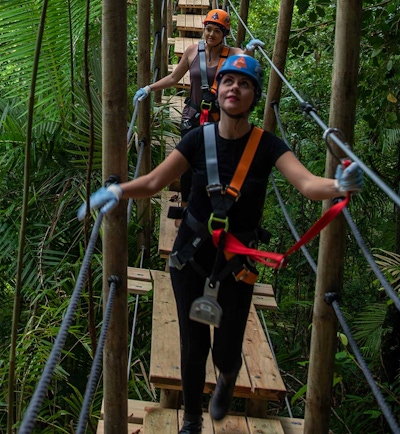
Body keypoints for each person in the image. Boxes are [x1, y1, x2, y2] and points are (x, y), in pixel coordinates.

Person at [79, 54, 364, 433]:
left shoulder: (268, 146)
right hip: (190, 257)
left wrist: (338, 186)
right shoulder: (197, 139)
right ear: (218, 89)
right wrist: (117, 191)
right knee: (193, 347)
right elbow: (153, 182)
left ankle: (227, 379)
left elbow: (307, 184)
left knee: (228, 350)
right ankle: (193, 420)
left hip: (236, 265)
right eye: (229, 81)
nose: (235, 88)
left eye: (244, 84)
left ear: (253, 96)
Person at [132, 9, 264, 205]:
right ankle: (185, 207)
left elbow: (245, 63)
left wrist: (250, 50)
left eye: (217, 31)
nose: (211, 34)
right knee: (188, 164)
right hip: (193, 115)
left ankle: (208, 207)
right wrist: (149, 88)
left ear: (224, 35)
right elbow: (174, 78)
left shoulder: (233, 54)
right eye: (208, 29)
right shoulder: (192, 51)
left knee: (216, 164)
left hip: (219, 119)